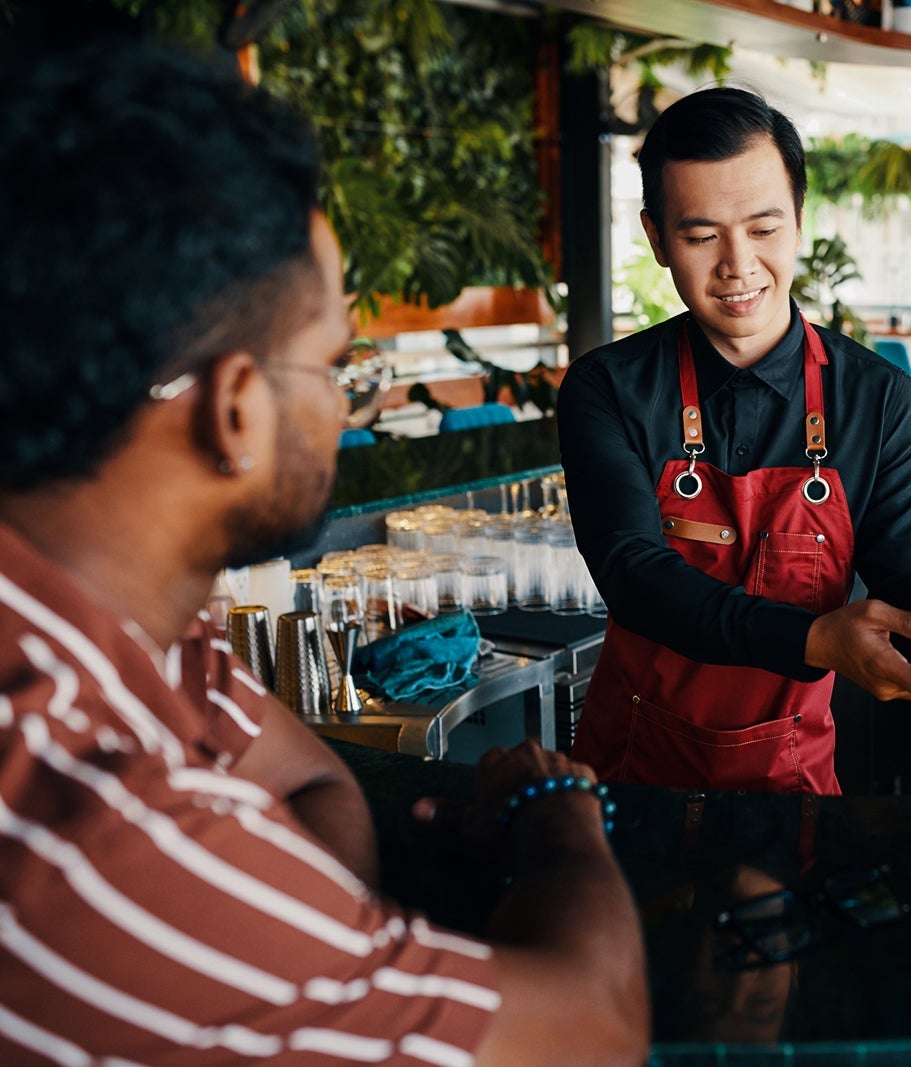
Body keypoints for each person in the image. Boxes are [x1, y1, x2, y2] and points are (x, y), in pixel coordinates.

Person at [0, 41, 647, 1065]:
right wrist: (555, 807)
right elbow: (595, 1024)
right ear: (237, 411)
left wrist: (292, 920)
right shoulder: (102, 836)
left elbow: (312, 779)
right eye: (337, 364)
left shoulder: (107, 625)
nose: (344, 398)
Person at [558, 87, 911, 795]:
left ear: (799, 222)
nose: (737, 264)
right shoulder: (607, 388)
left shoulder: (876, 398)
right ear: (656, 239)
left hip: (791, 781)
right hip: (632, 772)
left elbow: (901, 581)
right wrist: (814, 640)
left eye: (764, 228)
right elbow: (636, 579)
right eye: (700, 234)